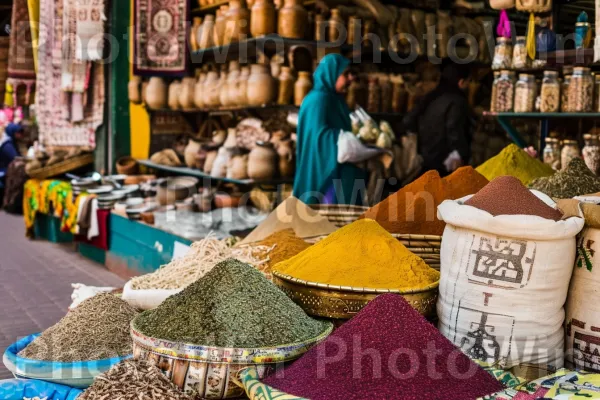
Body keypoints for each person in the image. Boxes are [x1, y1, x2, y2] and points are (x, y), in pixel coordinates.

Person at [293, 53, 365, 205]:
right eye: (345, 74)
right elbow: (318, 139)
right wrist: (347, 139)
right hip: (328, 176)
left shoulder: (336, 100)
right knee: (329, 223)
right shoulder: (318, 100)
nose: (351, 78)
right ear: (331, 73)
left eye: (351, 74)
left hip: (341, 170)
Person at [402, 62, 472, 176]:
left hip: (424, 161)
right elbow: (454, 129)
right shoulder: (457, 101)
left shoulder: (431, 96)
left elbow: (408, 120)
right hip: (444, 164)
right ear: (461, 82)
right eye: (468, 81)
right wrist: (458, 153)